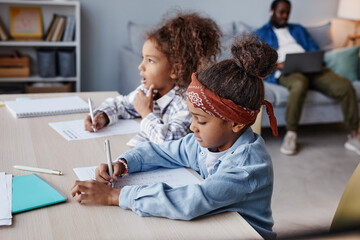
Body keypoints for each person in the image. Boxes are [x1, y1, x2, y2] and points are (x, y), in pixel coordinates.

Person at [71, 35, 279, 239]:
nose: (192, 126)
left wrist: (114, 196)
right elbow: (161, 151)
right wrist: (124, 164)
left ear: (236, 123)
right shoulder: (207, 143)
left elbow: (193, 201)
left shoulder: (246, 167)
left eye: (201, 121)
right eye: (193, 118)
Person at [84, 12, 221, 147]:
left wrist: (146, 113)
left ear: (176, 69)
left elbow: (168, 142)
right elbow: (122, 104)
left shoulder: (187, 103)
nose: (140, 66)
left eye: (150, 61)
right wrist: (102, 116)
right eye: (142, 58)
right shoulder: (148, 90)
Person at [255, 0, 360, 156]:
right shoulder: (261, 34)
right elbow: (260, 62)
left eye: (287, 13)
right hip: (287, 71)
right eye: (281, 12)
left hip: (312, 68)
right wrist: (278, 65)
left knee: (344, 86)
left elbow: (313, 49)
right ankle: (291, 134)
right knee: (299, 84)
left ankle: (354, 135)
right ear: (272, 11)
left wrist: (312, 61)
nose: (285, 16)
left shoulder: (298, 29)